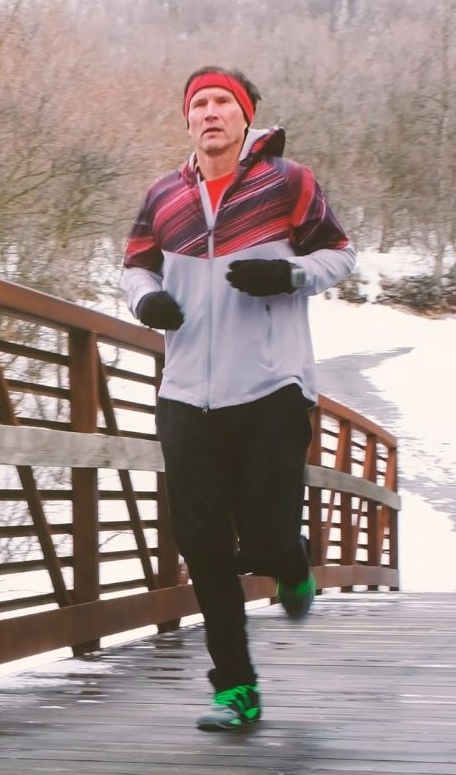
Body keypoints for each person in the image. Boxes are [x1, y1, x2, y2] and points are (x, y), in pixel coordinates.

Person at [122, 65, 356, 732]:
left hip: (270, 384)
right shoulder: (165, 195)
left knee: (264, 534)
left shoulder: (287, 183)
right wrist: (149, 299)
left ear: (246, 116)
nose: (211, 113)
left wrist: (289, 272)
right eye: (200, 104)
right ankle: (235, 688)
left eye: (224, 102)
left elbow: (340, 255)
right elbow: (135, 263)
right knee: (201, 543)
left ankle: (290, 563)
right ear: (187, 120)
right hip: (186, 390)